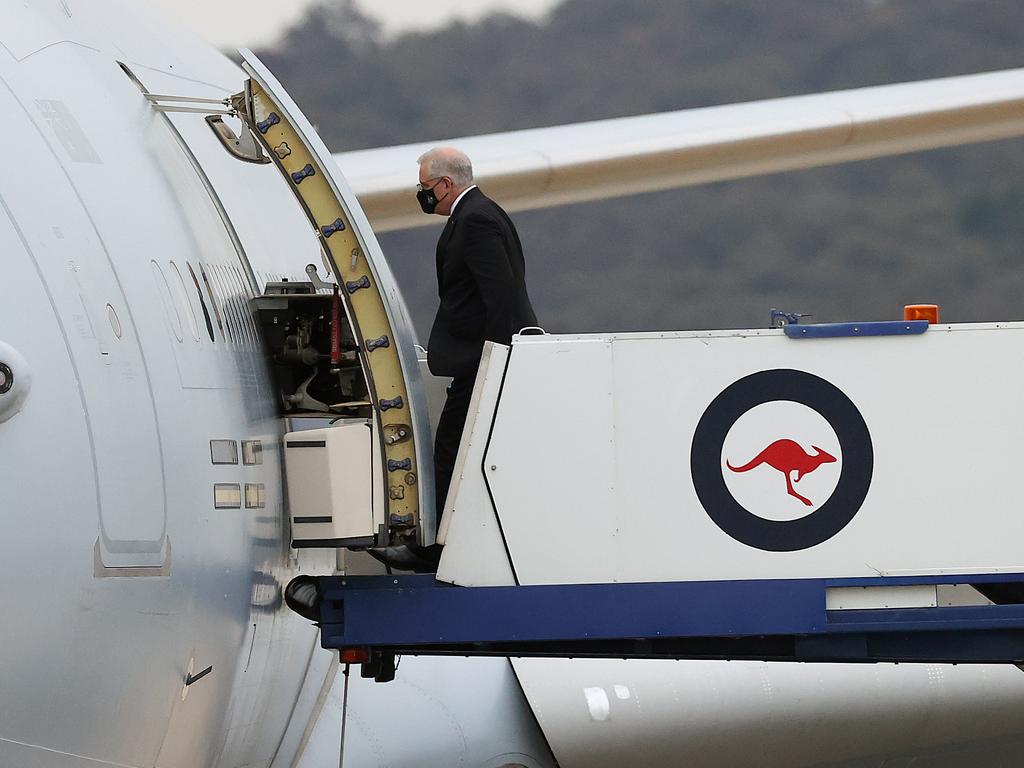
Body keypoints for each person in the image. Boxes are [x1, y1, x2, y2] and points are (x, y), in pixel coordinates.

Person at [416, 146, 538, 532]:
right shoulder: (479, 213)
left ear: (445, 183)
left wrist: (493, 361)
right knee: (455, 448)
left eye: (425, 187)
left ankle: (438, 545)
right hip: (479, 359)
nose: (421, 194)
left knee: (450, 450)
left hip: (482, 361)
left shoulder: (475, 220)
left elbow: (499, 295)